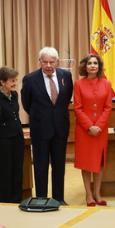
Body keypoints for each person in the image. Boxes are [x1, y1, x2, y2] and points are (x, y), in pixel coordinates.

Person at [21, 47, 72, 204]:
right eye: (45, 62)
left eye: (52, 62)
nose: (48, 65)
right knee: (41, 167)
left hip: (60, 128)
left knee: (59, 166)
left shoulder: (66, 76)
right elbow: (26, 103)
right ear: (39, 62)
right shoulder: (30, 79)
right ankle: (42, 199)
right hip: (40, 128)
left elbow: (66, 98)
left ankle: (59, 199)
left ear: (57, 62)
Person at [73, 54, 113, 206]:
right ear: (85, 66)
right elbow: (78, 108)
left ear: (99, 66)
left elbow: (108, 107)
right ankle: (88, 195)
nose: (92, 66)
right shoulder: (78, 84)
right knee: (86, 162)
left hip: (100, 130)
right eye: (89, 63)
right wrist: (90, 126)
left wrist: (99, 126)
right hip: (84, 130)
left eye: (95, 63)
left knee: (98, 162)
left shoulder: (107, 84)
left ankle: (97, 193)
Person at [0, 66, 24, 204]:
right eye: (12, 81)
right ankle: (4, 202)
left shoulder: (15, 94)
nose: (15, 83)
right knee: (5, 172)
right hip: (3, 137)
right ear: (2, 82)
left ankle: (17, 200)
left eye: (16, 80)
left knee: (18, 170)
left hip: (17, 136)